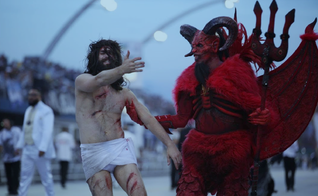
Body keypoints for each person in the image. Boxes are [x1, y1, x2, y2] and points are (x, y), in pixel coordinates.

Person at [137, 16, 275, 195]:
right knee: (188, 189)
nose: (194, 50)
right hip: (198, 152)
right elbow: (181, 119)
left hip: (233, 151)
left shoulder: (237, 72)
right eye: (193, 46)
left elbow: (256, 108)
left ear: (215, 46)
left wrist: (265, 116)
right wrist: (145, 119)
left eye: (199, 46)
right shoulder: (190, 78)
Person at [75, 39, 181, 196]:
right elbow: (99, 80)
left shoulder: (124, 93)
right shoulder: (82, 81)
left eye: (111, 53)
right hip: (93, 151)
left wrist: (170, 144)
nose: (107, 56)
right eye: (103, 52)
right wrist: (121, 70)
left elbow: (149, 119)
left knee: (139, 193)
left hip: (119, 148)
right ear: (94, 57)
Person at [15, 88, 55, 196]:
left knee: (46, 177)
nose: (30, 97)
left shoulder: (46, 110)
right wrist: (19, 145)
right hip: (27, 148)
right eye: (29, 95)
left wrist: (43, 148)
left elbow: (48, 130)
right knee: (24, 176)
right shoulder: (28, 110)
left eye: (33, 95)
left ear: (39, 96)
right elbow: (25, 129)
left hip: (39, 149)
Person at [0, 118, 21, 196]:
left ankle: (15, 189)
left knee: (15, 174)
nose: (5, 124)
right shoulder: (2, 133)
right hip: (6, 158)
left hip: (16, 157)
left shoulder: (16, 130)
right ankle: (10, 190)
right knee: (8, 175)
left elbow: (21, 140)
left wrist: (19, 150)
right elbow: (0, 145)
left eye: (6, 122)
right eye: (4, 123)